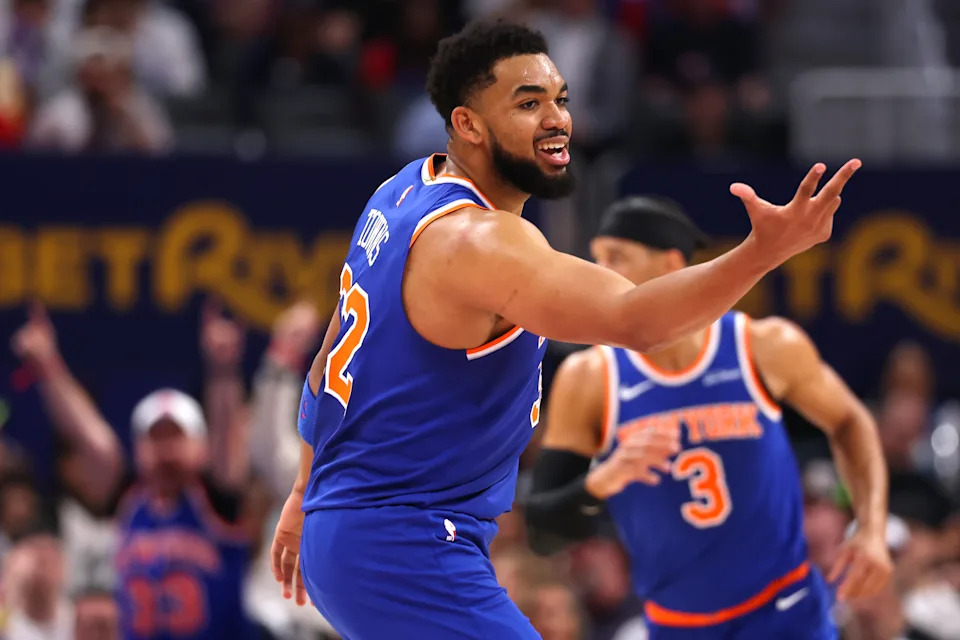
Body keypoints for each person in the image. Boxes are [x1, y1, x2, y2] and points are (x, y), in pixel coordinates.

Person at [269, 19, 862, 639]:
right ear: (467, 124)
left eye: (561, 100)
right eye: (528, 104)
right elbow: (636, 321)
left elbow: (331, 359)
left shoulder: (403, 190)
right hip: (402, 541)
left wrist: (304, 490)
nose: (557, 119)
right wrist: (762, 252)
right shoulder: (484, 242)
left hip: (359, 529)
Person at [524, 195, 892, 638]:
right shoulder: (590, 378)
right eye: (596, 258)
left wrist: (870, 527)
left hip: (786, 612)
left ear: (671, 263)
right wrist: (602, 481)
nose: (599, 272)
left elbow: (850, 420)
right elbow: (542, 529)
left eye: (616, 257)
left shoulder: (762, 345)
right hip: (678, 625)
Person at [10, 302, 253, 640]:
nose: (166, 450)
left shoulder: (216, 501)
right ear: (139, 449)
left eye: (176, 437)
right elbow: (92, 441)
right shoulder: (129, 500)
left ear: (200, 447)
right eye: (155, 438)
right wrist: (47, 365)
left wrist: (224, 371)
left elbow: (228, 439)